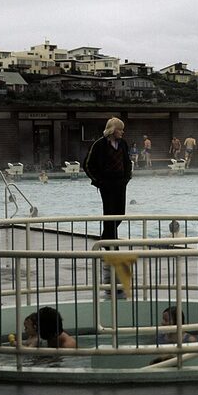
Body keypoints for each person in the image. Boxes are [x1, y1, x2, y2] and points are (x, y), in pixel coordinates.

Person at [83, 117, 132, 282]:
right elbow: (87, 164)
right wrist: (98, 181)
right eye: (120, 129)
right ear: (112, 130)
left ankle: (105, 241)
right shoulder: (99, 144)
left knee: (119, 214)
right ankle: (112, 247)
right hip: (106, 184)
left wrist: (127, 177)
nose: (122, 132)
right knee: (109, 214)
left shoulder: (123, 144)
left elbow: (127, 162)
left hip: (120, 183)